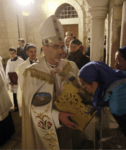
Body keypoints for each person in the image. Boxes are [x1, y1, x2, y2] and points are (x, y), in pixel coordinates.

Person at [22, 15, 84, 150]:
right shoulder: (32, 72)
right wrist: (57, 116)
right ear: (44, 48)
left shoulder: (70, 66)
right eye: (56, 46)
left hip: (71, 120)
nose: (61, 51)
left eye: (62, 46)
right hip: (47, 125)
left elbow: (80, 90)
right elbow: (31, 106)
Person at [15, 44, 38, 116]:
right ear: (27, 52)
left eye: (35, 51)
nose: (33, 53)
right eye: (31, 51)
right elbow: (21, 83)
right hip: (29, 93)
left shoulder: (42, 64)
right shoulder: (22, 67)